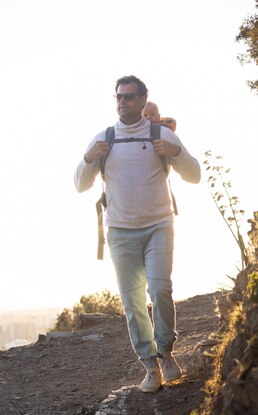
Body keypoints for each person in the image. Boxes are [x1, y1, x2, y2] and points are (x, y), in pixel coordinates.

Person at [74, 75, 201, 393]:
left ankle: (167, 353)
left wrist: (176, 152)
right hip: (119, 232)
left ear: (144, 100)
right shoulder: (103, 139)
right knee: (132, 303)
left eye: (130, 96)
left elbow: (195, 175)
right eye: (118, 96)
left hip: (159, 225)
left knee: (159, 289)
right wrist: (88, 158)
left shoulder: (161, 135)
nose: (122, 101)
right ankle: (150, 366)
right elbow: (80, 184)